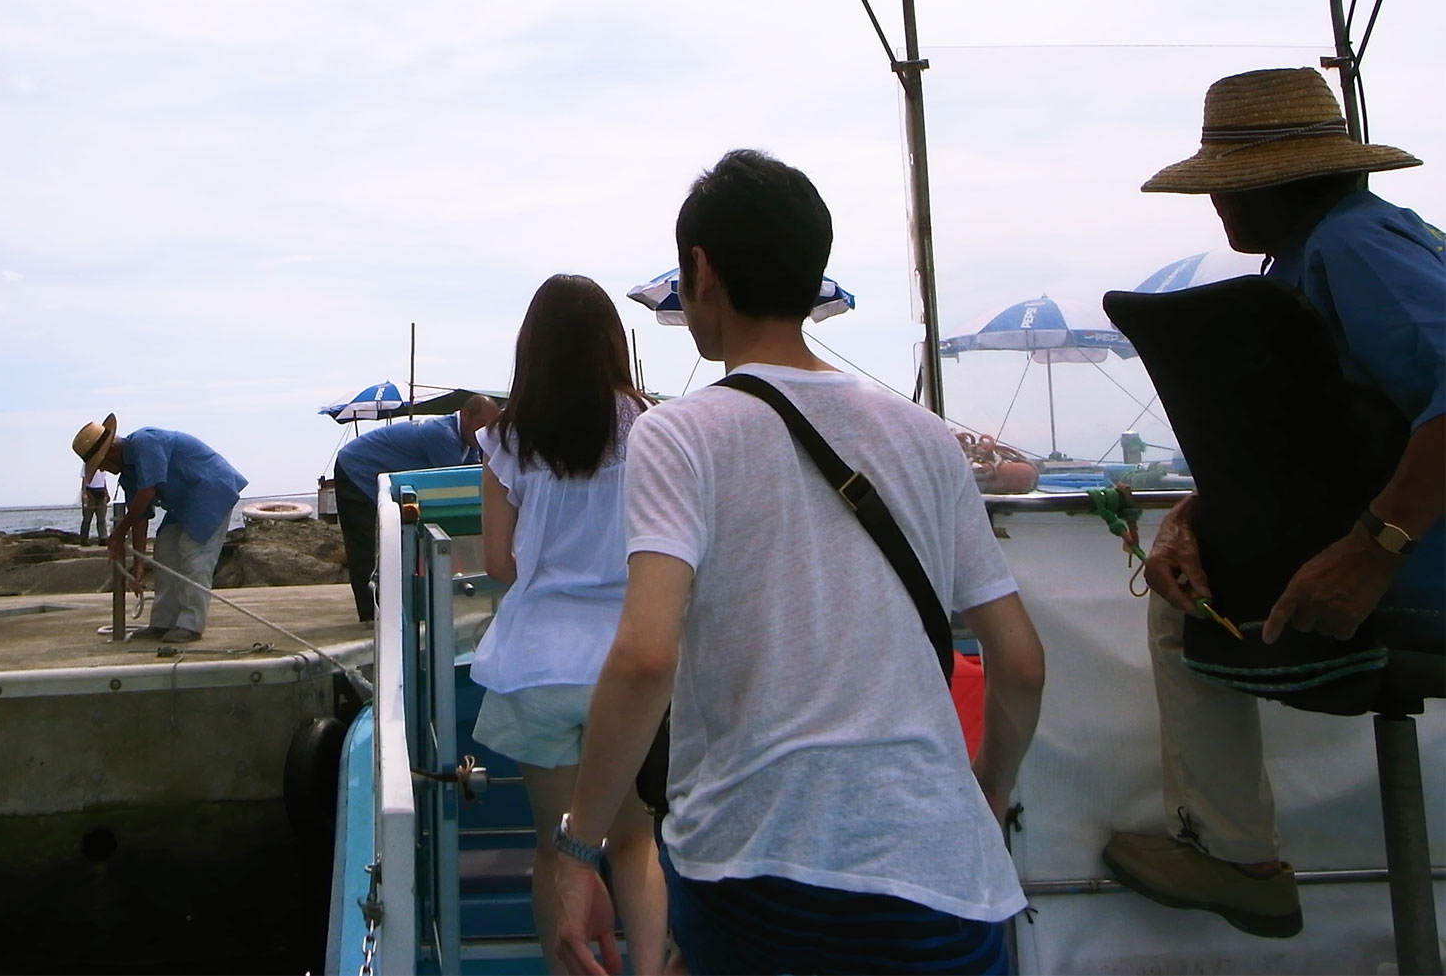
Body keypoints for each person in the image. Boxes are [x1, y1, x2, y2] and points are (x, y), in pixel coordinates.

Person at [552, 149, 1045, 976]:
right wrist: (986, 792)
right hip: (944, 873)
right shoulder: (925, 436)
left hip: (758, 863)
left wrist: (577, 850)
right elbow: (1021, 661)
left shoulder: (682, 433)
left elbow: (644, 656)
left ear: (701, 270)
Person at [1103, 67, 1444, 938]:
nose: (1216, 204)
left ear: (1281, 180)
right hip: (1387, 549)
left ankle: (1235, 853)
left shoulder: (1356, 245)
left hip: (1420, 574)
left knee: (1182, 620)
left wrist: (1370, 553)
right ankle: (1235, 852)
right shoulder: (1311, 255)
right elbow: (1296, 450)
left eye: (1226, 183)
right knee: (1189, 585)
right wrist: (1186, 523)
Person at [472, 275, 666, 975]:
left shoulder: (506, 439)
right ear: (612, 342)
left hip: (537, 667)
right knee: (633, 840)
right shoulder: (649, 427)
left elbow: (499, 562)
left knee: (555, 847)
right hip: (626, 661)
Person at [72, 414, 249, 643]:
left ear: (110, 452)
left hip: (210, 490)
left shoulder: (145, 442)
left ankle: (191, 624)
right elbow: (140, 516)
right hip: (181, 502)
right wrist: (138, 564)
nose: (103, 469)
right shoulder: (128, 474)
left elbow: (147, 493)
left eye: (101, 463)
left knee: (195, 556)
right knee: (164, 549)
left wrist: (118, 533)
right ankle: (162, 621)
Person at [331, 395, 500, 620]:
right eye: (483, 424)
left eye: (492, 427)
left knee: (400, 544)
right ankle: (372, 614)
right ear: (465, 415)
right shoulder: (442, 435)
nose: (486, 433)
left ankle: (399, 605)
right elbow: (457, 484)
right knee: (367, 544)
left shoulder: (468, 442)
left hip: (383, 477)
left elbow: (478, 477)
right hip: (356, 469)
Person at [78, 471, 110, 546]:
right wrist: (84, 493)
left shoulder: (103, 464)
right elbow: (84, 478)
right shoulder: (87, 463)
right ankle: (84, 539)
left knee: (101, 518)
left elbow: (103, 480)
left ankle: (103, 538)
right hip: (90, 490)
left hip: (101, 490)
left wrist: (107, 493)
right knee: (87, 518)